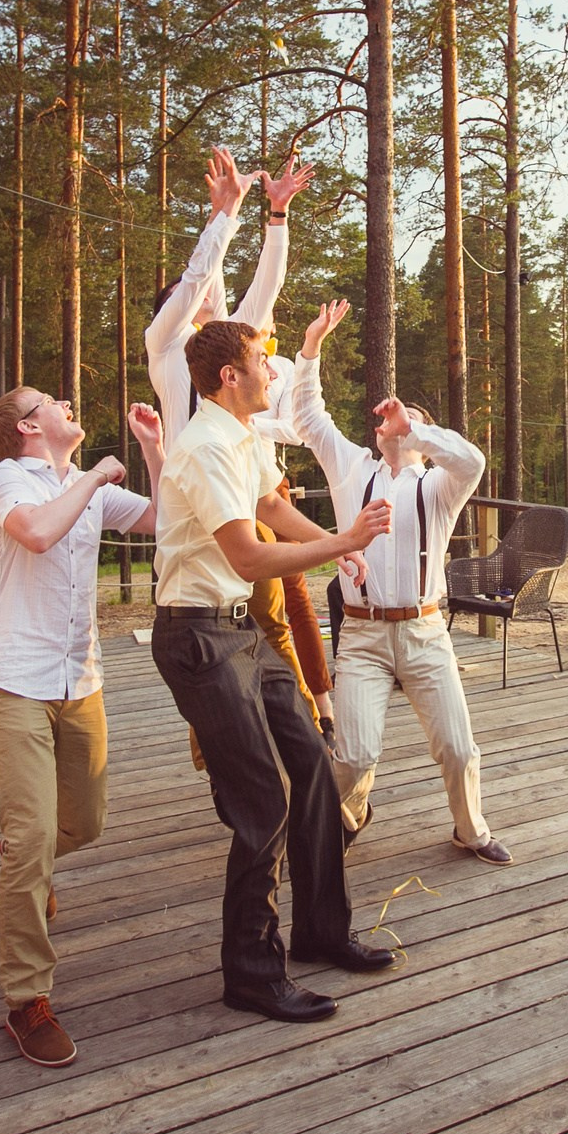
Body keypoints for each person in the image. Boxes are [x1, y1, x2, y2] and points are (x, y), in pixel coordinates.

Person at [150, 319, 398, 1023]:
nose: (272, 370)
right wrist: (344, 541)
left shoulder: (244, 437)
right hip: (197, 637)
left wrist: (332, 543)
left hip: (240, 630)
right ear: (230, 376)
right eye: (262, 360)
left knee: (315, 768)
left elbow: (268, 507)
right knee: (264, 801)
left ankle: (322, 931)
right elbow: (248, 558)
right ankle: (253, 972)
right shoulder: (202, 448)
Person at [0, 386, 163, 1067]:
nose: (65, 401)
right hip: (14, 675)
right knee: (28, 836)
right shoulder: (8, 480)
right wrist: (93, 473)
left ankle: (31, 869)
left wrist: (149, 448)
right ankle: (27, 999)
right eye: (50, 400)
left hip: (79, 677)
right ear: (29, 425)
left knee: (82, 823)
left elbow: (167, 519)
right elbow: (38, 532)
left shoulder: (82, 487)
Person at [292, 300, 514, 865]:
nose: (399, 423)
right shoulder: (350, 469)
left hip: (425, 635)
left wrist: (417, 426)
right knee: (353, 756)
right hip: (363, 638)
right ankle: (348, 814)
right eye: (395, 419)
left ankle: (471, 831)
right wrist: (313, 345)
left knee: (459, 749)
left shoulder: (439, 487)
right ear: (376, 430)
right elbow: (309, 415)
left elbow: (474, 461)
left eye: (413, 422)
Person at [145, 146, 334, 736]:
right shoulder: (167, 349)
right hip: (194, 506)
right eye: (192, 298)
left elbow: (260, 292)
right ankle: (224, 761)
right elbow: (202, 274)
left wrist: (275, 218)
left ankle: (309, 728)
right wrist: (220, 218)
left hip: (246, 490)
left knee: (274, 617)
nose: (205, 297)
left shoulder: (227, 350)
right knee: (205, 632)